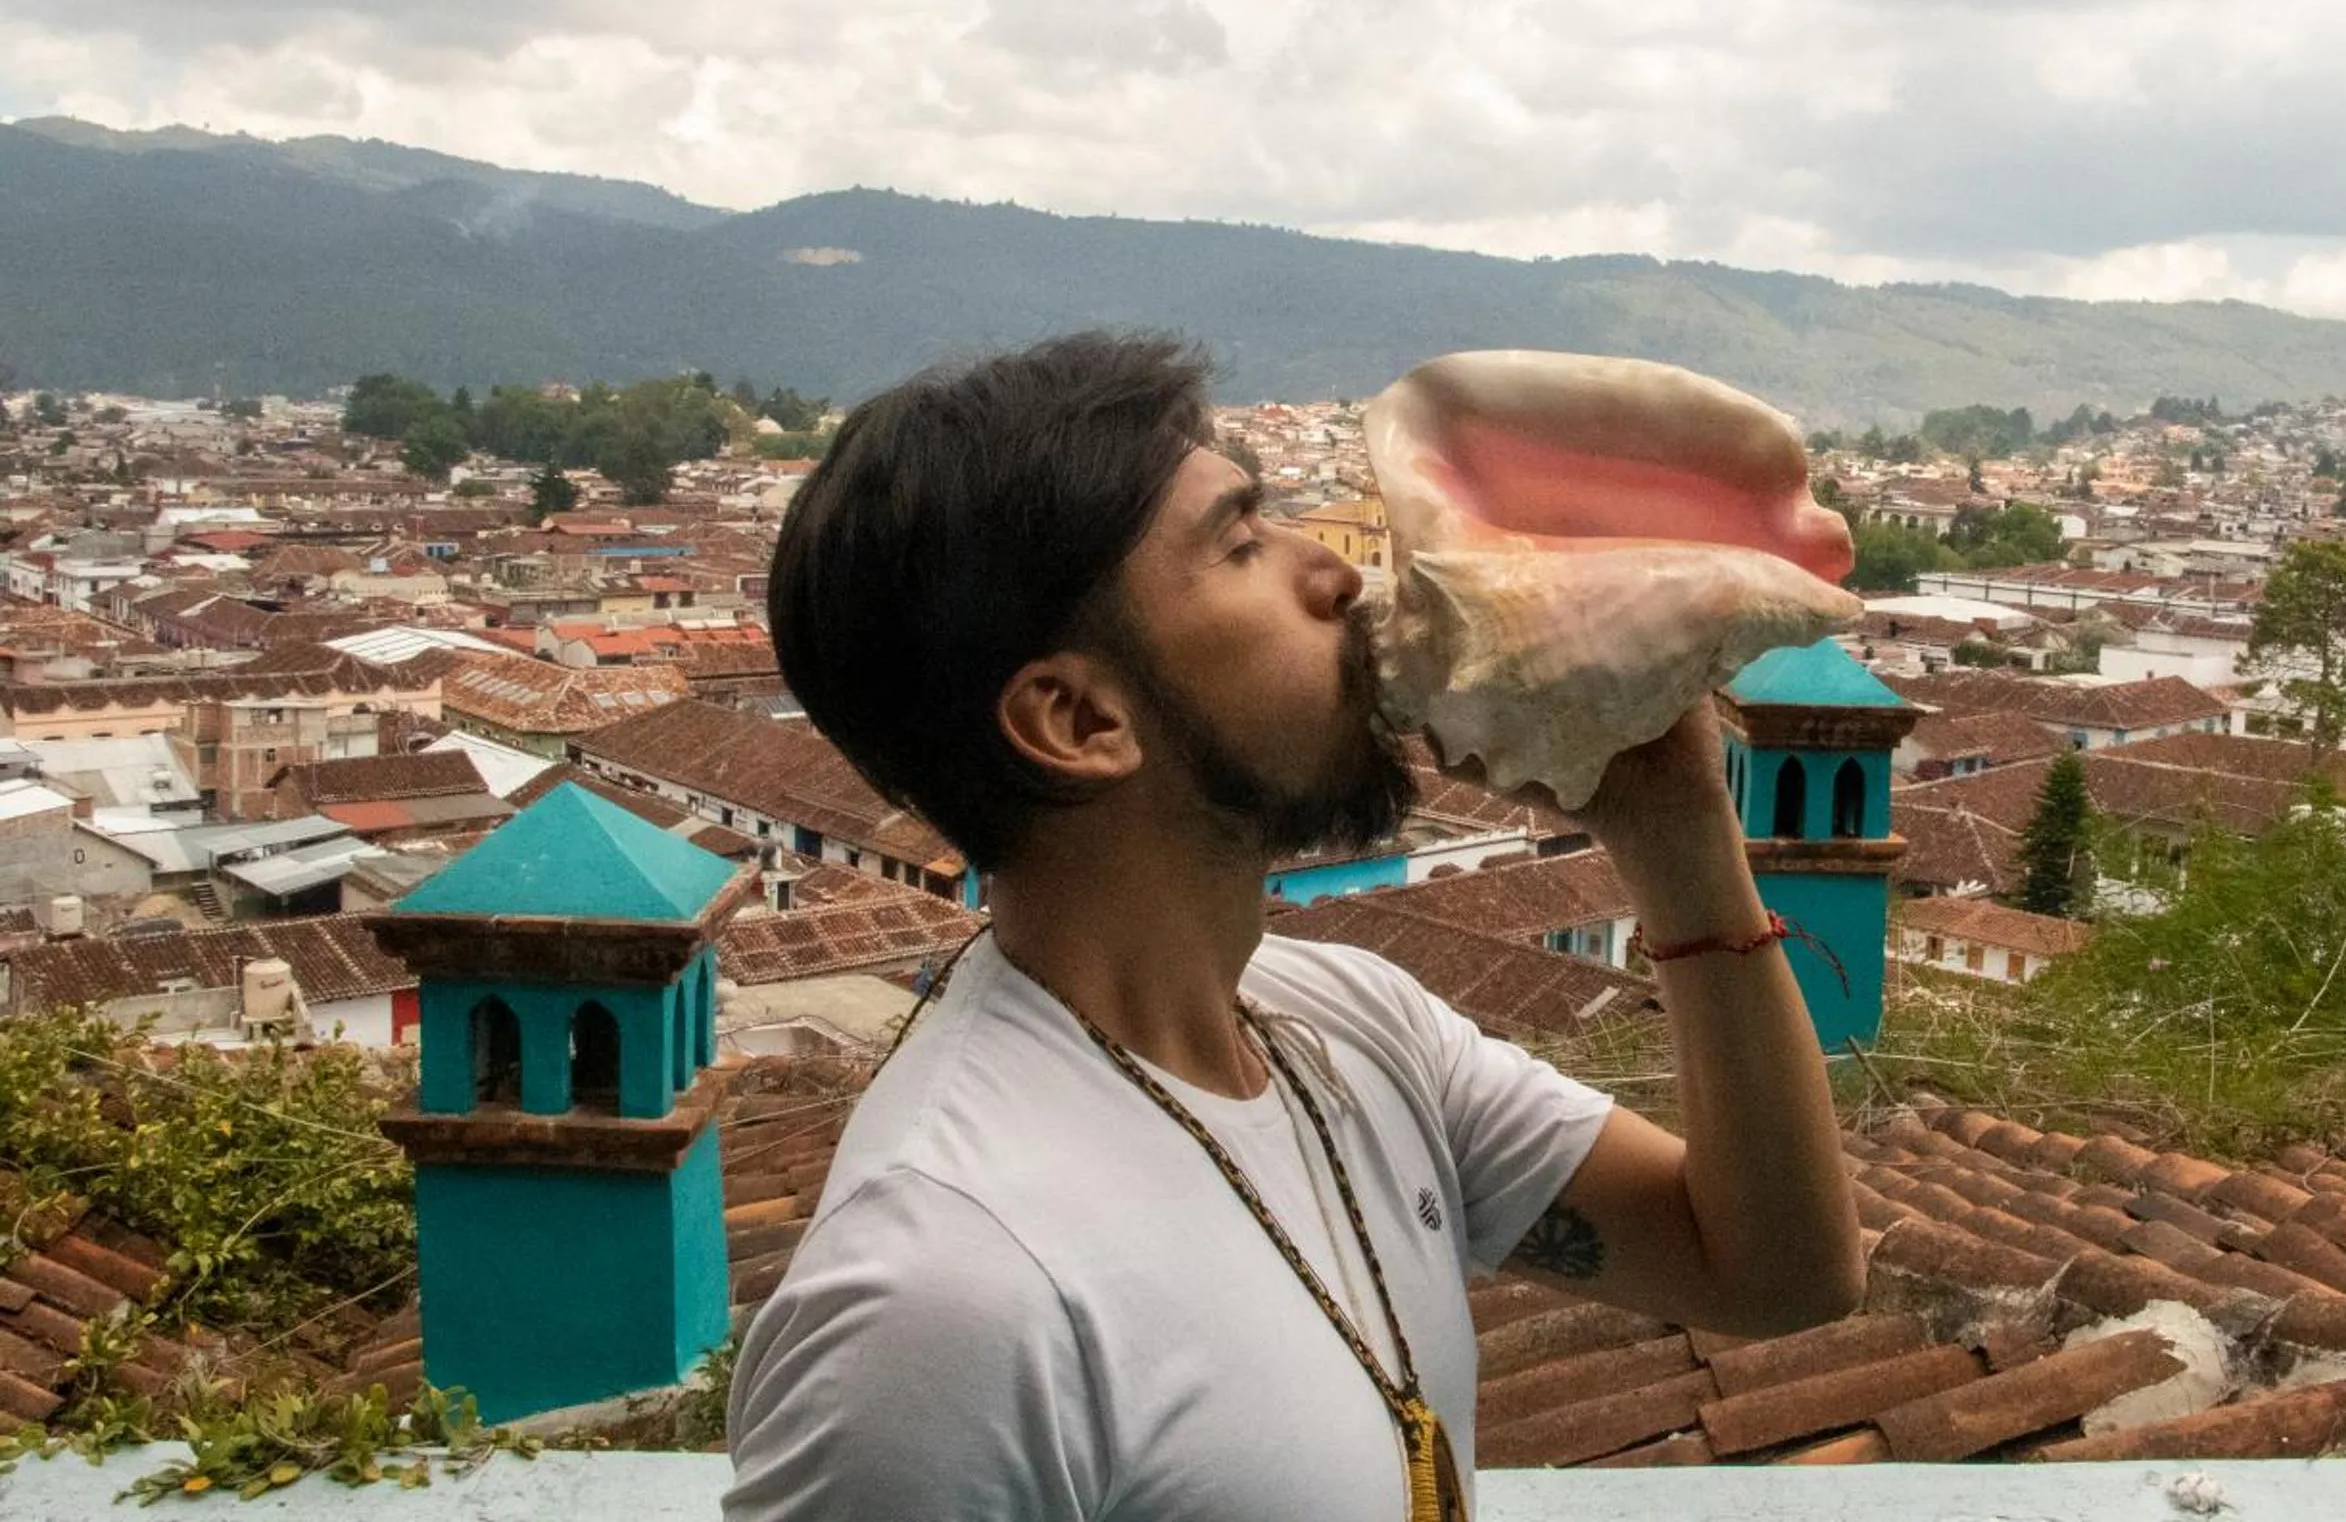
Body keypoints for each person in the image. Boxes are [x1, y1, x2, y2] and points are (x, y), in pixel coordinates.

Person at [725, 333, 1862, 1520]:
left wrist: (1676, 830)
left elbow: (1775, 1272)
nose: (1334, 573)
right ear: (1077, 720)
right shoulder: (938, 1303)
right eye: (1241, 545)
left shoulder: (1355, 1024)